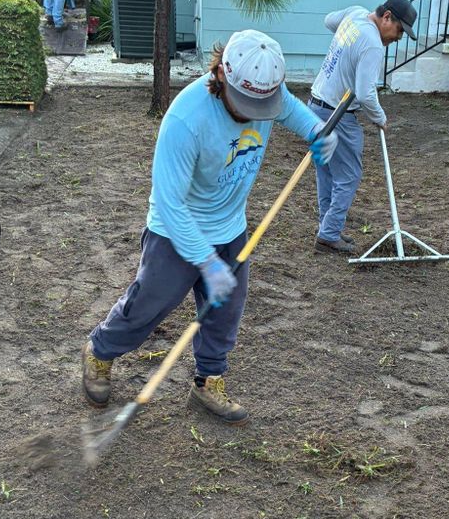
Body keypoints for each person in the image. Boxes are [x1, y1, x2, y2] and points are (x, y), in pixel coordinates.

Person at [82, 29, 338, 425]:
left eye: (262, 104)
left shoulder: (268, 91)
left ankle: (208, 380)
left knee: (224, 312)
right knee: (150, 305)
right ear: (221, 75)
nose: (255, 112)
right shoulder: (187, 119)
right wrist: (205, 261)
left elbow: (290, 110)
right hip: (175, 229)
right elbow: (170, 203)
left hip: (230, 227)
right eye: (247, 103)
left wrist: (318, 132)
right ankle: (100, 350)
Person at [308, 0, 417, 254]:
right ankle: (329, 233)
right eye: (400, 30)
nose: (398, 37)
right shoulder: (373, 45)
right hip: (339, 114)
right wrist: (380, 118)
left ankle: (327, 228)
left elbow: (328, 21)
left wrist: (348, 39)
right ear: (387, 16)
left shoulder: (355, 15)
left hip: (315, 106)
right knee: (348, 175)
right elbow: (366, 93)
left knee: (326, 172)